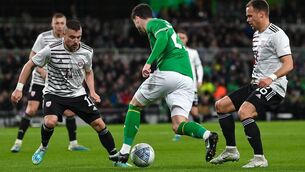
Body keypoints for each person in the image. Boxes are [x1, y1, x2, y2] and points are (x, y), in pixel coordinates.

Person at [109, 3, 218, 164]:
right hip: (187, 80)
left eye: (135, 23)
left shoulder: (155, 23)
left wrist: (148, 63)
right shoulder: (165, 24)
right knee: (178, 124)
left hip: (169, 73)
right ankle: (208, 135)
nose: (136, 26)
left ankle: (124, 152)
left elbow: (163, 38)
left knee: (134, 105)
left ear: (137, 18)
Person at [11, 19, 130, 167]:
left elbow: (89, 71)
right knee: (50, 121)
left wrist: (92, 91)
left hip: (77, 94)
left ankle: (115, 157)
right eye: (72, 37)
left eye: (79, 37)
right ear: (64, 35)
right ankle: (43, 147)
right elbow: (29, 64)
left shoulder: (87, 51)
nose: (76, 41)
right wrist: (19, 88)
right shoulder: (51, 49)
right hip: (54, 93)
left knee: (99, 124)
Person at [210, 0, 293, 168]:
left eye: (250, 15)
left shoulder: (277, 34)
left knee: (244, 111)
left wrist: (270, 77)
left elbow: (289, 64)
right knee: (221, 106)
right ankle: (231, 150)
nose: (247, 19)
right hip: (256, 84)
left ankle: (260, 158)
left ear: (261, 14)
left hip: (274, 87)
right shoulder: (256, 34)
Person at [10, 13, 89, 153]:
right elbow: (32, 57)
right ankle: (18, 142)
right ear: (52, 24)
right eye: (57, 23)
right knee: (31, 110)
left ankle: (73, 143)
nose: (59, 26)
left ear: (65, 25)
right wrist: (42, 72)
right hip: (40, 80)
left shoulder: (71, 41)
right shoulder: (43, 37)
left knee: (70, 112)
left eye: (62, 23)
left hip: (59, 83)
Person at [172, 30, 204, 142]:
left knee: (194, 112)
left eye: (183, 37)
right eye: (179, 37)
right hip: (176, 86)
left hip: (191, 86)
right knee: (177, 110)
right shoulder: (172, 51)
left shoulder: (193, 52)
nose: (181, 39)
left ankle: (201, 131)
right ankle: (178, 132)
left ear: (187, 39)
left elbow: (199, 67)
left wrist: (200, 80)